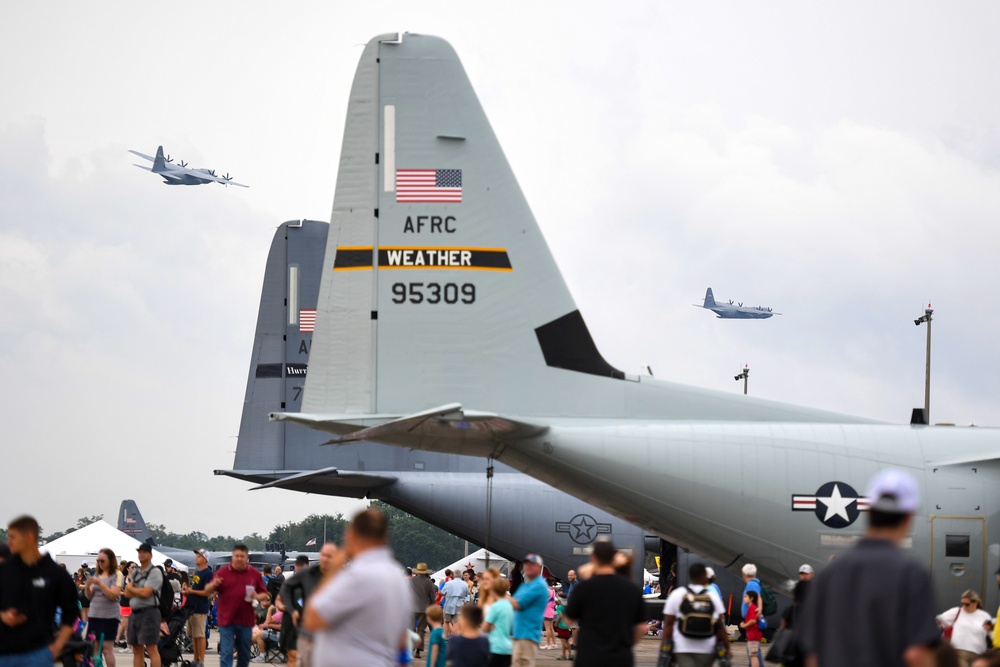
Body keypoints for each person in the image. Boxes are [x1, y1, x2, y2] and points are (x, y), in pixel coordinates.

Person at [798, 468, 941, 666]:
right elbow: (916, 654)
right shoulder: (911, 574)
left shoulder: (828, 574)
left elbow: (812, 656)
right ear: (909, 517)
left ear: (869, 511)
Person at [303, 508, 413, 667]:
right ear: (384, 537)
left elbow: (312, 619)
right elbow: (401, 639)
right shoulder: (396, 575)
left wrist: (332, 572)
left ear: (351, 535)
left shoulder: (359, 574)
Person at [0, 515, 79, 667]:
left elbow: (71, 613)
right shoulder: (5, 570)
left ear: (29, 537)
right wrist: (4, 616)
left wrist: (57, 646)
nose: (9, 542)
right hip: (5, 653)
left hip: (38, 653)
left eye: (13, 537)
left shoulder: (56, 573)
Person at [564, 540, 646, 667]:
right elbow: (642, 627)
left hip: (589, 658)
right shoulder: (631, 588)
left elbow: (568, 620)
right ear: (613, 558)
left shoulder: (584, 587)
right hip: (621, 658)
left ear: (593, 558)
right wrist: (626, 644)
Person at [203, 544, 270, 667]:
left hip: (246, 621)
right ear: (232, 557)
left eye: (242, 556)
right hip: (227, 620)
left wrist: (256, 595)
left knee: (244, 655)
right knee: (227, 653)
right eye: (236, 556)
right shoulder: (223, 572)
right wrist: (214, 584)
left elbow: (264, 595)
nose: (239, 559)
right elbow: (207, 591)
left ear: (246, 558)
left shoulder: (254, 574)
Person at [660, 562, 730, 667]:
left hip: (682, 647)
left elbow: (668, 624)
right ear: (705, 576)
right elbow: (720, 626)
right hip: (707, 648)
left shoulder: (678, 594)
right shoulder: (712, 596)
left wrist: (663, 648)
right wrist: (727, 648)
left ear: (690, 576)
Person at [124, 543, 163, 667]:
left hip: (149, 612)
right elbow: (126, 594)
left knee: (151, 648)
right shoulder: (136, 573)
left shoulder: (154, 572)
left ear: (150, 555)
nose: (141, 554)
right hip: (135, 613)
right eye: (139, 552)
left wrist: (132, 588)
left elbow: (146, 593)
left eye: (144, 552)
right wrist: (134, 590)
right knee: (136, 649)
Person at [85, 548, 123, 667]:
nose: (100, 563)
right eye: (98, 561)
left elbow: (113, 595)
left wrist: (100, 584)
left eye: (103, 561)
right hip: (94, 615)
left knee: (107, 649)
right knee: (93, 649)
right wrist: (87, 586)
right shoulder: (97, 574)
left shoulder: (117, 574)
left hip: (109, 616)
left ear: (110, 561)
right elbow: (89, 596)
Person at [509, 554, 548, 667]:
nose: (528, 566)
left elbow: (517, 604)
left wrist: (500, 598)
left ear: (540, 567)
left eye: (532, 564)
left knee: (523, 663)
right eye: (526, 564)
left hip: (528, 635)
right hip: (519, 634)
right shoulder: (526, 585)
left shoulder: (539, 585)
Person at [937, 590, 992, 666]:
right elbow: (939, 619)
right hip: (959, 650)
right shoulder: (957, 611)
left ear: (976, 603)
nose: (964, 606)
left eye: (967, 604)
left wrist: (991, 628)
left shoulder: (984, 616)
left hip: (978, 653)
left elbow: (992, 633)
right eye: (962, 603)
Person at [180, 549, 215, 667]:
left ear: (205, 559)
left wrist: (192, 591)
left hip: (200, 608)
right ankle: (196, 658)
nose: (196, 558)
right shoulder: (197, 572)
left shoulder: (207, 573)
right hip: (191, 607)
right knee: (194, 635)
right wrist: (187, 591)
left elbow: (207, 592)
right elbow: (194, 589)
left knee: (200, 635)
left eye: (199, 556)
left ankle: (202, 661)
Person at [483, 577, 513, 667]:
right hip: (508, 648)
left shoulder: (495, 607)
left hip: (496, 647)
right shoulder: (509, 606)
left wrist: (490, 625)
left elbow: (484, 628)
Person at [410, 562, 438, 657]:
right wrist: (433, 606)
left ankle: (411, 648)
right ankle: (418, 650)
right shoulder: (429, 582)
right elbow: (432, 597)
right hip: (424, 608)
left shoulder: (411, 581)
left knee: (411, 628)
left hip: (412, 607)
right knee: (421, 630)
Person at [739, 563, 765, 666]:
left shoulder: (751, 584)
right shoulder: (755, 583)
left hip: (752, 626)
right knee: (753, 652)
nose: (745, 598)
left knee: (753, 654)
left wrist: (759, 609)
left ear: (744, 574)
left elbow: (757, 596)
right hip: (752, 627)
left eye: (746, 596)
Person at [442, 569, 470, 638]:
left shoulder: (448, 583)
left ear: (454, 575)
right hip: (459, 604)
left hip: (449, 603)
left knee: (446, 621)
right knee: (456, 622)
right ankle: (455, 637)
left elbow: (443, 592)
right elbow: (467, 594)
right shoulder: (465, 584)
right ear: (461, 575)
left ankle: (445, 636)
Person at [741, 591, 763, 667]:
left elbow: (753, 620)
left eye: (746, 596)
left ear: (751, 598)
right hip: (753, 635)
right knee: (752, 656)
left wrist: (744, 625)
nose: (744, 598)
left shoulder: (752, 608)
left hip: (753, 636)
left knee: (753, 657)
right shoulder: (753, 607)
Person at [553, 594, 572, 661]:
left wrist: (556, 623)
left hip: (561, 626)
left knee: (563, 642)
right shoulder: (566, 607)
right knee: (567, 641)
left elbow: (560, 616)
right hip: (566, 626)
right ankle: (570, 655)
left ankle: (563, 655)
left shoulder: (559, 607)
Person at [541, 578, 557, 649]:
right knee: (551, 628)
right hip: (551, 610)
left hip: (546, 611)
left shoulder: (546, 590)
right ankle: (554, 643)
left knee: (547, 628)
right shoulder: (553, 590)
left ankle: (548, 644)